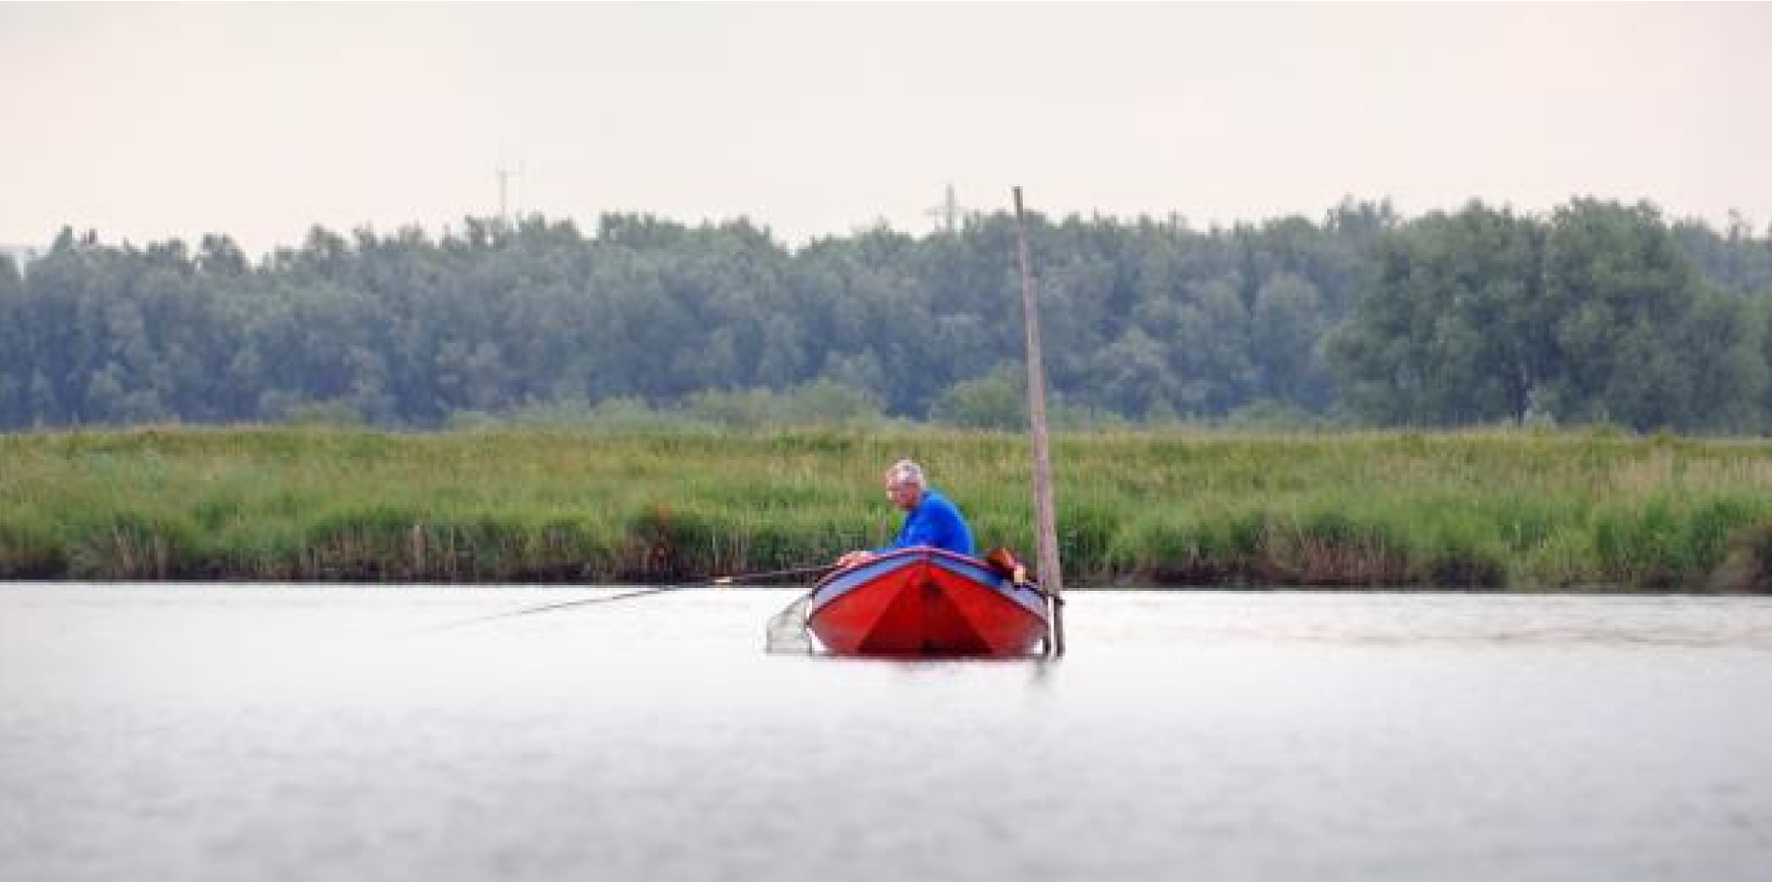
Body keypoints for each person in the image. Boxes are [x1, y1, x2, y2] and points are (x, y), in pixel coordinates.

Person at [836, 459, 975, 568]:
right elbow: (901, 547)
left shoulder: (932, 507)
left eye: (894, 490)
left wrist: (870, 557)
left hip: (953, 574)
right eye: (888, 491)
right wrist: (866, 555)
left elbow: (912, 552)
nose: (890, 497)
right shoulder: (917, 510)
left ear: (913, 486)